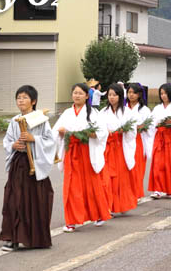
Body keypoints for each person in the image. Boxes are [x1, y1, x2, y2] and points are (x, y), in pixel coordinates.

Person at [0, 85, 56, 251]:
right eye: (18, 98)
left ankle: (36, 238)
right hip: (19, 164)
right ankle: (11, 237)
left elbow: (50, 142)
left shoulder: (40, 120)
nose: (21, 101)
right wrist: (13, 145)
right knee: (13, 200)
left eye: (24, 97)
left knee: (34, 201)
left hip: (34, 166)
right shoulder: (14, 120)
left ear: (33, 101)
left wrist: (33, 138)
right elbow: (7, 140)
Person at [52, 83, 111, 233]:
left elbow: (102, 132)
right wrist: (60, 133)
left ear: (87, 96)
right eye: (75, 93)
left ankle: (98, 214)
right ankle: (71, 220)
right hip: (72, 153)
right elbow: (55, 132)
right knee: (71, 187)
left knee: (92, 185)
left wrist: (87, 134)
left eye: (80, 93)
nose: (77, 95)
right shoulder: (66, 113)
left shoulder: (94, 114)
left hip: (87, 151)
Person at [100, 83, 137, 214]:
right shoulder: (103, 112)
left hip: (121, 147)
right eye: (109, 95)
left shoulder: (127, 112)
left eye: (114, 95)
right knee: (107, 178)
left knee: (121, 178)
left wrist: (122, 131)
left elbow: (132, 131)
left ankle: (121, 205)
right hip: (107, 148)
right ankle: (108, 205)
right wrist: (106, 132)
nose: (112, 97)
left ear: (120, 96)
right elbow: (98, 129)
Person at [148, 83, 171, 199]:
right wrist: (156, 124)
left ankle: (169, 188)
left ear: (170, 94)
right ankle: (158, 189)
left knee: (169, 164)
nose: (163, 96)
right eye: (161, 94)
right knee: (157, 164)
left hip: (170, 138)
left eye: (165, 93)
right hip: (159, 137)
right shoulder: (157, 108)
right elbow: (151, 122)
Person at [126, 83, 154, 200]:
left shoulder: (144, 110)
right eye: (129, 92)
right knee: (127, 168)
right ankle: (127, 193)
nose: (131, 95)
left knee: (137, 167)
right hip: (126, 140)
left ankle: (136, 192)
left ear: (139, 95)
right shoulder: (123, 108)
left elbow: (150, 126)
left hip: (138, 140)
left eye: (134, 93)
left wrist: (140, 127)